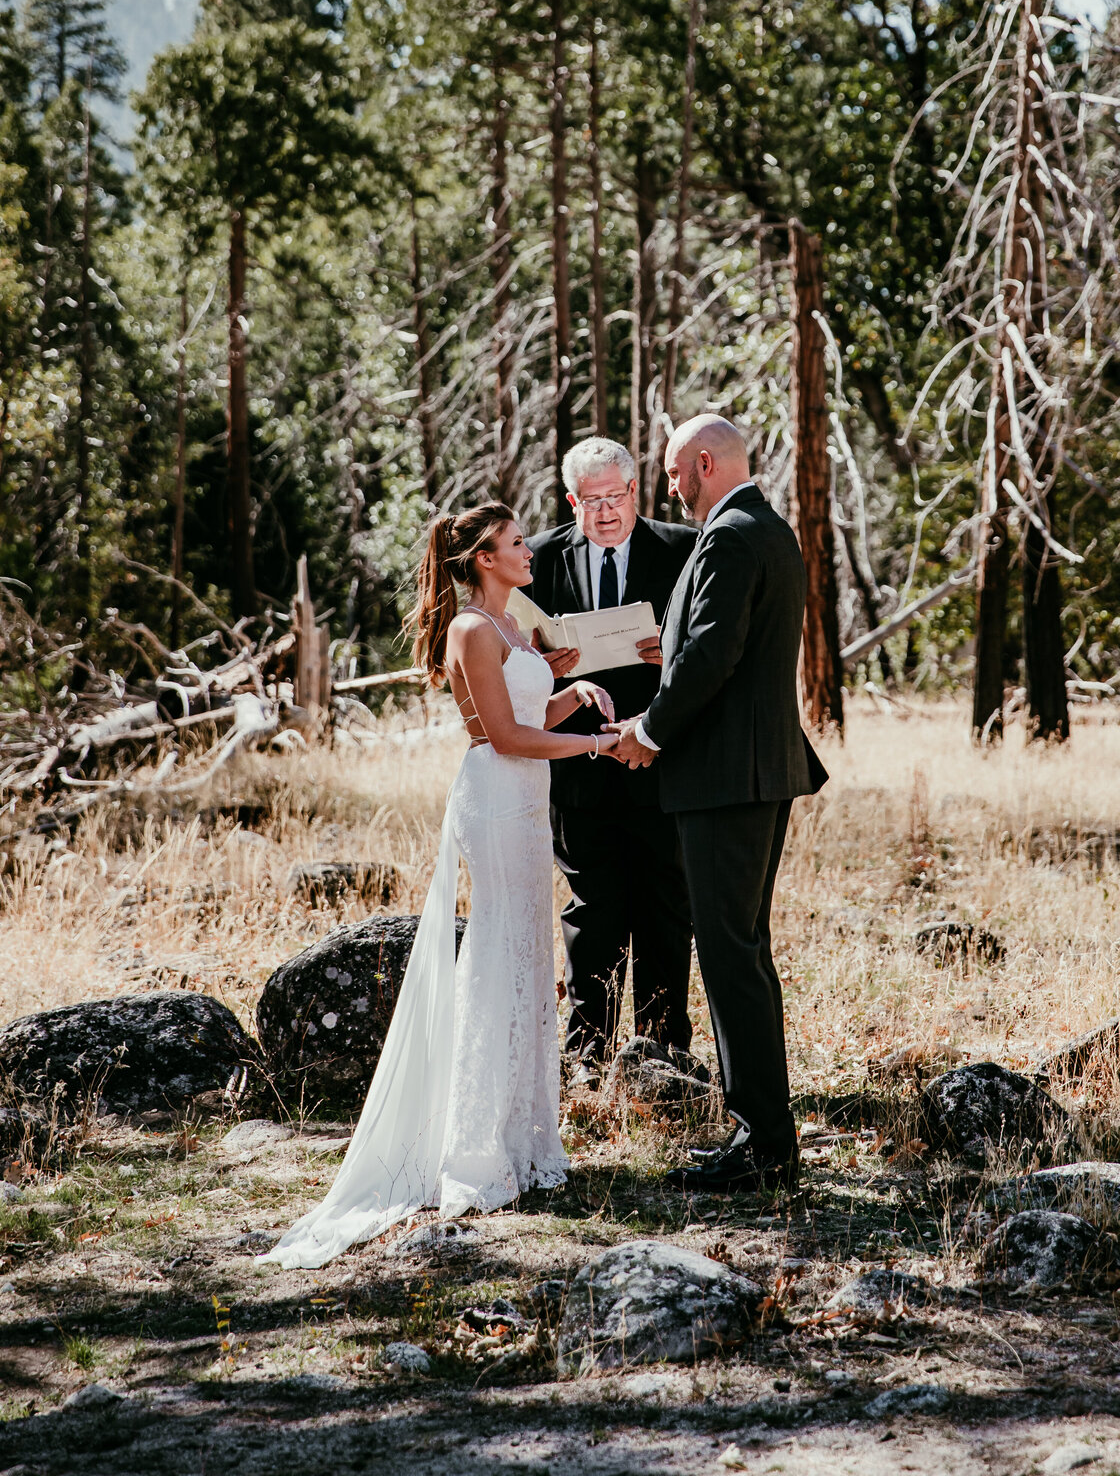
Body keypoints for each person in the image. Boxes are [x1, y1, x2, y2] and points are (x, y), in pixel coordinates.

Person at [263, 504, 619, 1269]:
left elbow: (531, 716)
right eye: (518, 543)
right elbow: (498, 737)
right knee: (496, 954)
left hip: (528, 797)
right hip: (495, 799)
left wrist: (576, 694)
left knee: (527, 955)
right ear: (485, 558)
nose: (530, 551)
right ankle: (474, 1151)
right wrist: (595, 746)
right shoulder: (470, 630)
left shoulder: (515, 628)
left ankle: (523, 1143)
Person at [613, 415, 828, 1192]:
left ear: (704, 463)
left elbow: (712, 655)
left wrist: (649, 730)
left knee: (732, 955)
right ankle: (762, 1134)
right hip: (753, 773)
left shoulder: (732, 535)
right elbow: (709, 645)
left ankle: (766, 1147)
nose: (670, 487)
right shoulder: (766, 529)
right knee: (742, 951)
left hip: (726, 778)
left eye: (673, 473)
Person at [524, 437, 698, 1084]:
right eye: (589, 500)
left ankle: (662, 1056)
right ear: (572, 500)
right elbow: (514, 664)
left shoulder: (682, 550)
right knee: (591, 916)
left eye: (615, 497)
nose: (604, 511)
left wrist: (672, 652)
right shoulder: (538, 559)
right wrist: (547, 668)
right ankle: (587, 1058)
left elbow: (712, 648)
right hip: (577, 767)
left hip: (658, 760)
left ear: (636, 491)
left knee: (664, 909)